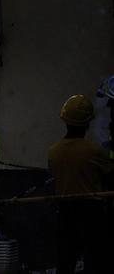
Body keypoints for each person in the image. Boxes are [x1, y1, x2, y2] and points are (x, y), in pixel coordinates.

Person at [48, 94, 113, 274]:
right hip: (92, 212)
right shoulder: (94, 151)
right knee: (97, 260)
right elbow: (110, 177)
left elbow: (53, 178)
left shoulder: (53, 152)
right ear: (87, 122)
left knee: (66, 260)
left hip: (65, 211)